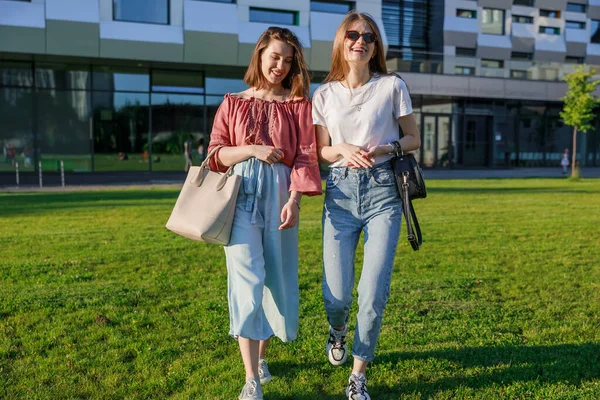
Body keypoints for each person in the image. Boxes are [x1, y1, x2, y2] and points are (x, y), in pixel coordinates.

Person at [207, 26, 322, 400]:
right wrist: (252, 149)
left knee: (274, 275)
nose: (280, 66)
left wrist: (295, 200)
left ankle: (261, 357)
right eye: (274, 57)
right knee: (247, 278)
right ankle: (251, 378)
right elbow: (215, 156)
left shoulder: (298, 103)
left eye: (288, 61)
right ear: (259, 55)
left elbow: (305, 153)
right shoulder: (232, 102)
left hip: (280, 195)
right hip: (239, 195)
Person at [312, 11, 421, 400]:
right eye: (353, 35)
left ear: (376, 47)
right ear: (342, 41)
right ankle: (337, 330)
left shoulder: (392, 85)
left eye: (369, 38)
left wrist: (386, 147)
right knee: (336, 296)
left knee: (373, 293)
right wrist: (339, 148)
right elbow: (322, 150)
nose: (361, 42)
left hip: (383, 194)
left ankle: (358, 374)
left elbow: (412, 138)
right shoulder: (323, 94)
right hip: (340, 195)